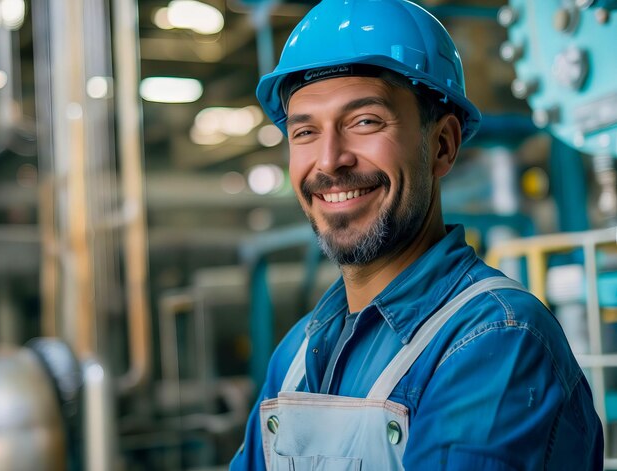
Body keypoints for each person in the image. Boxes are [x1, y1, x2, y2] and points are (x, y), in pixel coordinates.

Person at [230, 0, 604, 469]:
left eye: (364, 121)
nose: (328, 160)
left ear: (442, 145)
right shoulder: (297, 356)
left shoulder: (495, 341)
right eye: (305, 131)